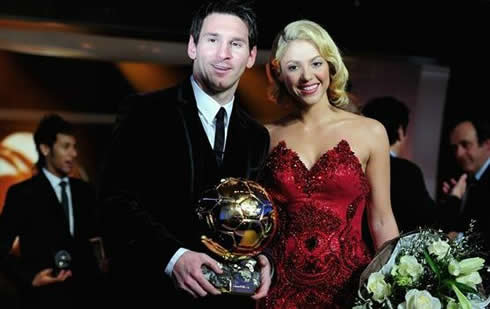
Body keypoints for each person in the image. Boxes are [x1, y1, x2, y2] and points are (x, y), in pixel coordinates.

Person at [98, 1, 272, 307]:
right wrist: (173, 257)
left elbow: (254, 215)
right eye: (212, 40)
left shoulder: (257, 136)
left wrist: (264, 258)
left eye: (236, 43)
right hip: (150, 293)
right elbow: (113, 202)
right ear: (193, 46)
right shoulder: (144, 112)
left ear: (251, 56)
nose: (223, 54)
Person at [258, 20, 399, 308]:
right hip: (281, 290)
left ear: (331, 66)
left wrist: (396, 287)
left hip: (350, 289)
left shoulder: (371, 131)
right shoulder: (265, 136)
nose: (306, 76)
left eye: (315, 63)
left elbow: (382, 220)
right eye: (293, 67)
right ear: (279, 74)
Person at [0, 114, 103, 309]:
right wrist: (29, 277)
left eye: (74, 147)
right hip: (43, 300)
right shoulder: (22, 194)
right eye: (66, 147)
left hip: (87, 298)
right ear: (45, 148)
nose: (73, 154)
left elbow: (95, 239)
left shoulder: (85, 191)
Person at [362, 96, 436, 233]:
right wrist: (454, 198)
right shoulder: (408, 172)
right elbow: (428, 220)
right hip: (394, 250)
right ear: (401, 131)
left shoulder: (356, 166)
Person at [441, 118, 490, 248]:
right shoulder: (466, 178)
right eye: (455, 147)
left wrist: (458, 238)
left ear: (487, 145)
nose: (459, 153)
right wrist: (452, 200)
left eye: (465, 145)